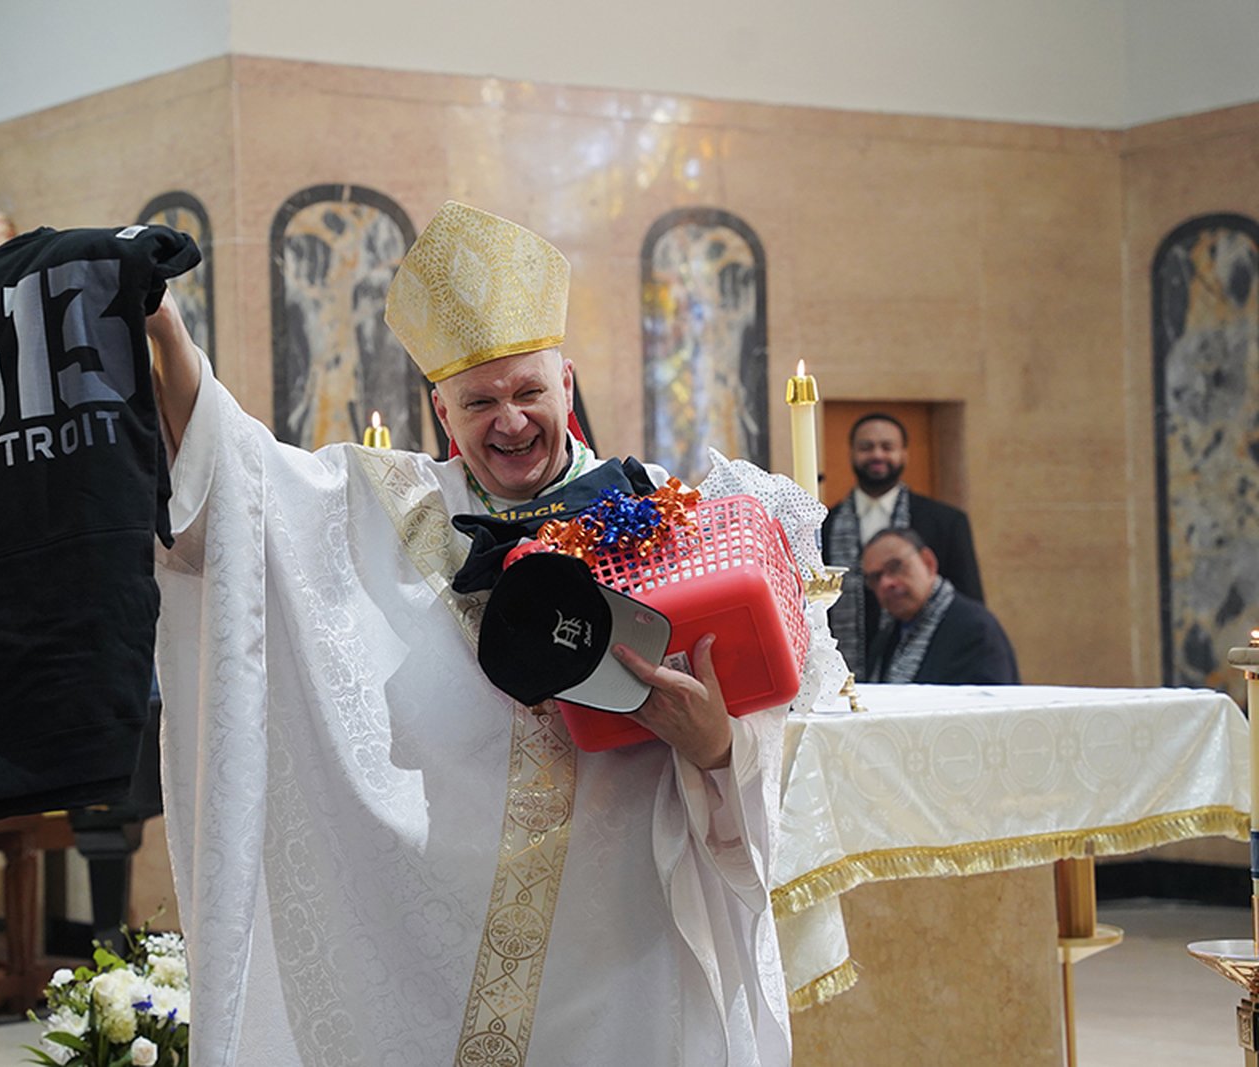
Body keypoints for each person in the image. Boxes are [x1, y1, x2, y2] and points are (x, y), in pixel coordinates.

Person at [147, 201, 812, 1066]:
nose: (509, 421)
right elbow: (240, 487)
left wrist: (717, 746)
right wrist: (164, 326)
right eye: (479, 401)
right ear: (441, 409)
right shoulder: (389, 508)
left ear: (567, 386)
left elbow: (767, 735)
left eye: (530, 391)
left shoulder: (664, 511)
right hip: (442, 941)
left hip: (627, 942)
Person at [821, 411, 983, 675]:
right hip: (842, 672)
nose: (877, 455)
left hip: (928, 668)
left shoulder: (946, 522)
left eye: (887, 447)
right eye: (866, 447)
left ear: (904, 454)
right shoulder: (824, 526)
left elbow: (968, 600)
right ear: (851, 453)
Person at [860, 528, 1018, 684]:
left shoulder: (975, 629)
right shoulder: (889, 634)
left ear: (928, 562)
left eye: (895, 567)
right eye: (875, 577)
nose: (886, 583)